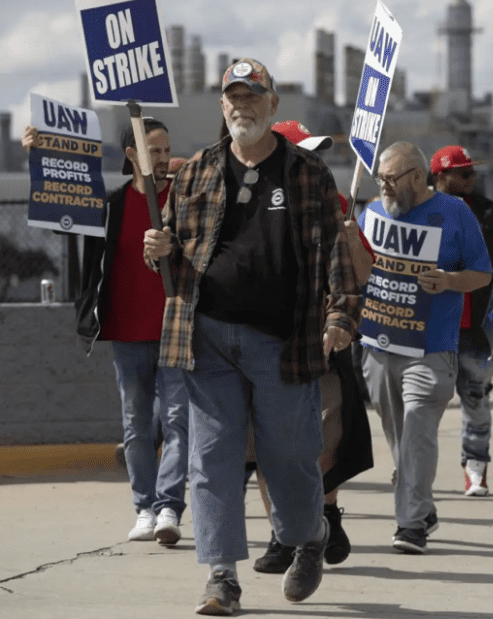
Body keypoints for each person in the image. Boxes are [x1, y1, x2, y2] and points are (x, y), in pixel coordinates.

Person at [143, 58, 361, 615]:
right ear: (222, 106)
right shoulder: (195, 173)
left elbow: (334, 253)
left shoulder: (307, 174)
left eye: (253, 95)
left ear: (273, 105)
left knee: (287, 455)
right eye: (233, 96)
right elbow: (170, 248)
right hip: (206, 337)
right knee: (212, 456)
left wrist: (340, 317)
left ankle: (308, 536)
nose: (243, 104)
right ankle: (221, 577)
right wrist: (157, 251)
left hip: (283, 340)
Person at [22, 119, 189, 545]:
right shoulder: (110, 206)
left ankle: (170, 505)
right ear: (131, 155)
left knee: (176, 421)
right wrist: (38, 155)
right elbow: (61, 202)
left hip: (175, 329)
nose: (165, 157)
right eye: (155, 151)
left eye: (167, 149)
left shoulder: (183, 201)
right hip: (126, 331)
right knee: (135, 424)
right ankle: (145, 508)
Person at [250, 120, 375, 574]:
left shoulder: (334, 201)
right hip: (269, 342)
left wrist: (345, 232)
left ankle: (326, 513)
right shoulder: (253, 201)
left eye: (317, 152)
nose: (314, 159)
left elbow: (362, 273)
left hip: (325, 339)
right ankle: (282, 535)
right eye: (306, 151)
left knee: (325, 437)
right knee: (267, 445)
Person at [358, 141, 492, 553]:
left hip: (431, 349)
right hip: (379, 346)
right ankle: (423, 504)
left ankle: (411, 525)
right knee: (399, 437)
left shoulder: (455, 214)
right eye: (379, 178)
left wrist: (450, 281)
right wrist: (350, 242)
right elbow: (360, 272)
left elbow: (482, 274)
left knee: (416, 426)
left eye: (390, 179)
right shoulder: (372, 212)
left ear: (417, 177)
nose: (383, 185)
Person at [430, 145, 493, 496]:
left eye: (473, 173)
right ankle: (413, 465)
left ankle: (475, 468)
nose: (472, 179)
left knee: (475, 396)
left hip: (476, 327)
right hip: (431, 326)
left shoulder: (487, 213)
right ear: (442, 176)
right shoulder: (419, 210)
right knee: (424, 400)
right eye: (465, 173)